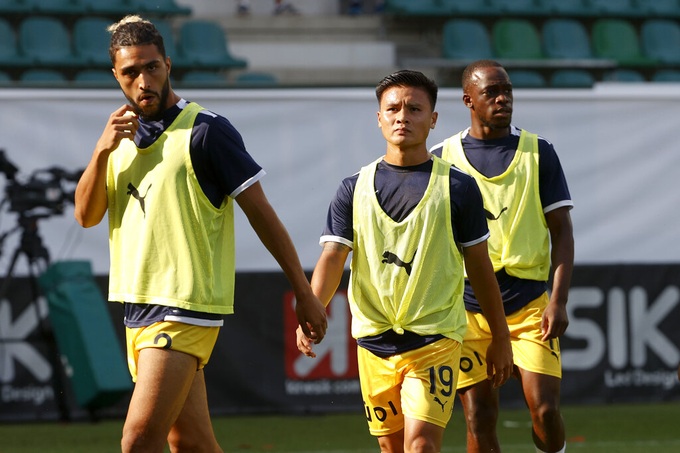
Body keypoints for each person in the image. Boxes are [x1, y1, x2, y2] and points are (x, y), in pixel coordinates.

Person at [73, 15, 327, 452]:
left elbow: (262, 214)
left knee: (137, 440)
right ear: (116, 76)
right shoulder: (117, 139)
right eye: (130, 72)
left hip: (184, 306)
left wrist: (303, 291)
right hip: (137, 306)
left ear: (168, 65)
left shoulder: (207, 130)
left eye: (151, 67)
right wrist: (100, 151)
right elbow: (86, 215)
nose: (143, 80)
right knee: (190, 443)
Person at [297, 69, 513, 453]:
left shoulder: (458, 187)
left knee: (422, 447)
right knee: (391, 447)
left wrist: (500, 337)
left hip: (435, 340)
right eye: (393, 108)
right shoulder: (353, 188)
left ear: (432, 120)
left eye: (414, 109)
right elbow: (333, 255)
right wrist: (313, 307)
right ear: (378, 117)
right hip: (374, 343)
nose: (402, 116)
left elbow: (480, 268)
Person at [430, 59, 574, 453]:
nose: (502, 98)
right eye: (491, 92)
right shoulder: (441, 159)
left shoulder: (539, 152)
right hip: (467, 309)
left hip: (529, 306)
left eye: (507, 91)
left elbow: (561, 231)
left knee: (545, 410)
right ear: (468, 100)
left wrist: (558, 300)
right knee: (479, 417)